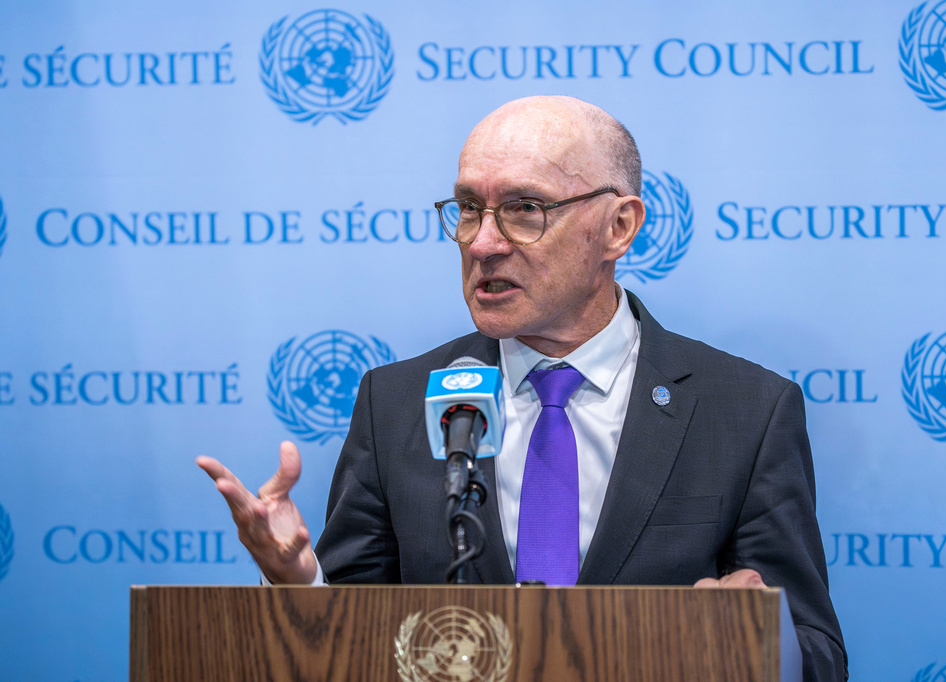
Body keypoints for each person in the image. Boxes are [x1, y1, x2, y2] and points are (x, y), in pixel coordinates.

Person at [198, 95, 848, 680]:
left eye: (523, 210)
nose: (482, 242)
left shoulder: (745, 411)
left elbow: (817, 653)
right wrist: (298, 585)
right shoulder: (393, 404)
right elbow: (351, 645)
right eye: (469, 208)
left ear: (618, 228)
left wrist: (756, 645)